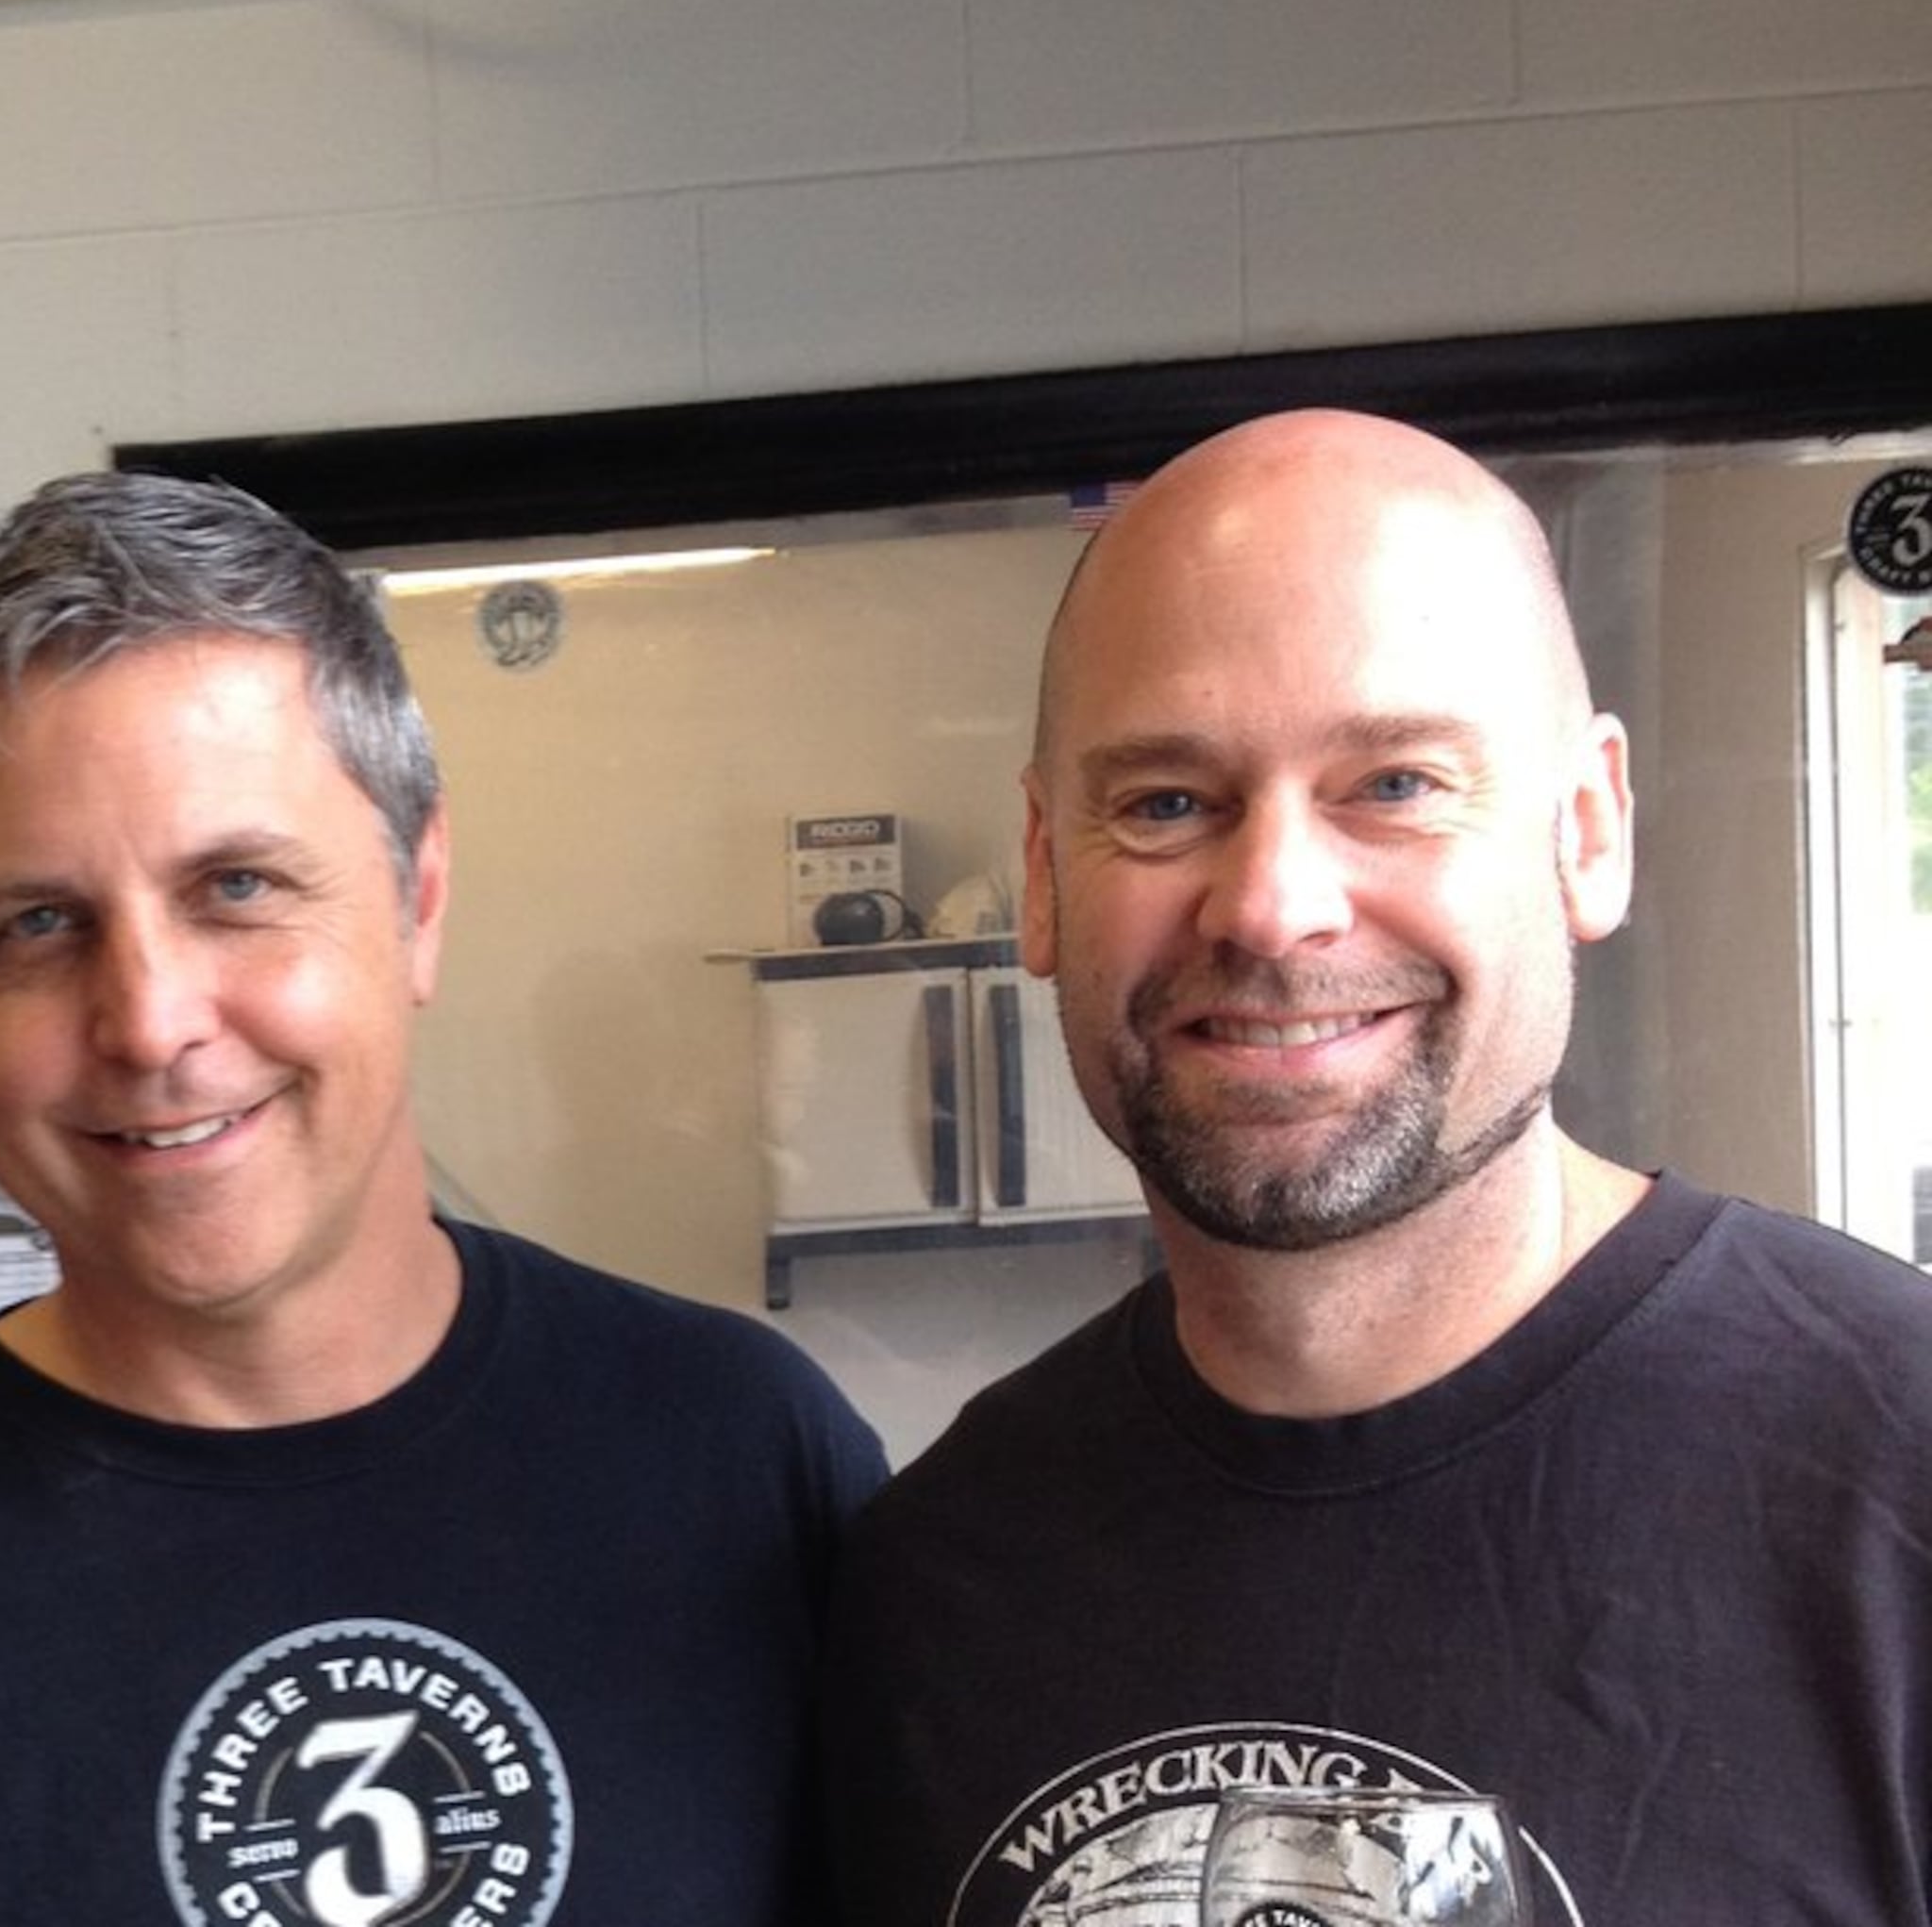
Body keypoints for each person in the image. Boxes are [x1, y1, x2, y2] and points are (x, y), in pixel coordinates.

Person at [0, 470, 885, 1927]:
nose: (148, 1021)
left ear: (416, 901)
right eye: (38, 924)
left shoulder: (739, 1457)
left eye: (238, 886)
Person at [815, 410, 1932, 1924]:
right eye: (1165, 803)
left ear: (1586, 829)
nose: (1271, 907)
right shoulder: (934, 1585)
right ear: (1041, 876)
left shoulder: (1894, 1481)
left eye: (1395, 782)